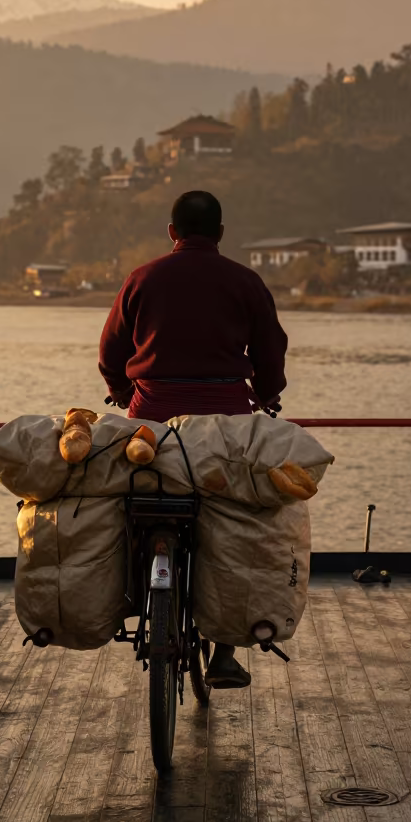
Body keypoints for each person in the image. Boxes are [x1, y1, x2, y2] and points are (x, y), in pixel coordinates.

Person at [99, 189, 288, 688]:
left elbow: (111, 349)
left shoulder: (142, 279)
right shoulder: (245, 282)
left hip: (152, 420)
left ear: (171, 232)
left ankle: (129, 593)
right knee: (235, 521)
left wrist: (120, 391)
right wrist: (267, 396)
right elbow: (271, 351)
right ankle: (223, 652)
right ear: (221, 233)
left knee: (132, 503)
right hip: (225, 422)